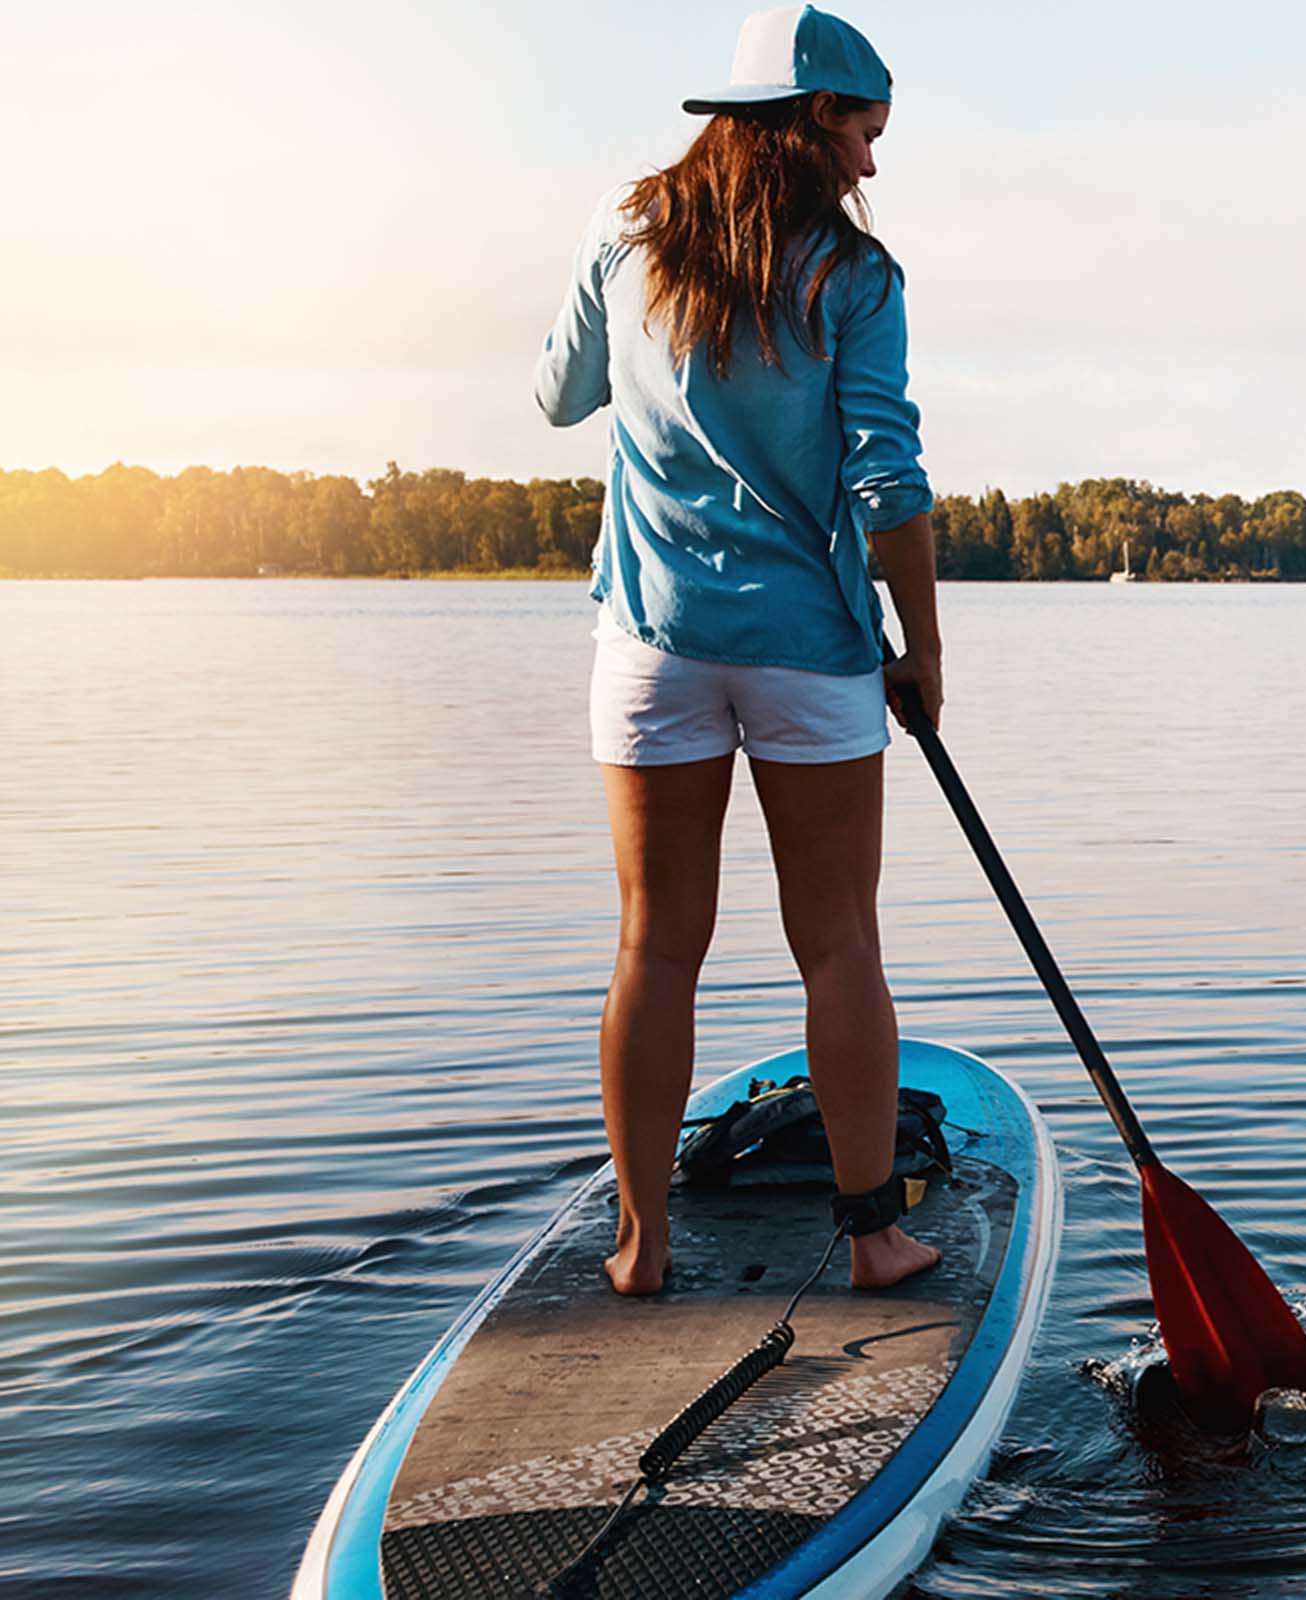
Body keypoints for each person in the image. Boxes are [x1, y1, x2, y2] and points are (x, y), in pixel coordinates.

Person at [535, 5, 942, 1296]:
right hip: (812, 650)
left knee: (655, 940)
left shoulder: (627, 231)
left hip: (652, 645)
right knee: (841, 945)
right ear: (813, 116)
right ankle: (874, 1236)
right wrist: (921, 647)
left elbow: (558, 395)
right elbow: (888, 481)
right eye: (866, 134)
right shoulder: (855, 281)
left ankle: (642, 1248)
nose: (872, 167)